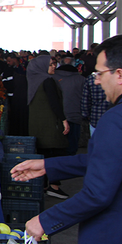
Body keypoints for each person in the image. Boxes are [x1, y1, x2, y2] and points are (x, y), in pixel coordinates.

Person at [11, 34, 122, 244]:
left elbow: (99, 193)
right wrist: (49, 166)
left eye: (99, 74)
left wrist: (46, 220)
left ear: (120, 75)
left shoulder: (118, 119)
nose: (96, 81)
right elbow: (111, 160)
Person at [27, 55, 70, 199]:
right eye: (51, 64)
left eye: (54, 64)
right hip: (50, 124)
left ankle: (45, 184)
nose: (54, 67)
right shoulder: (47, 81)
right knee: (55, 153)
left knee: (44, 154)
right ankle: (54, 186)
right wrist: (63, 119)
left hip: (37, 124)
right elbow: (54, 102)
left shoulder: (34, 79)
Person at [54, 61, 86, 156]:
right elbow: (86, 98)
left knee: (57, 144)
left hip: (57, 116)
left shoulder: (52, 78)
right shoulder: (81, 79)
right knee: (72, 143)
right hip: (75, 115)